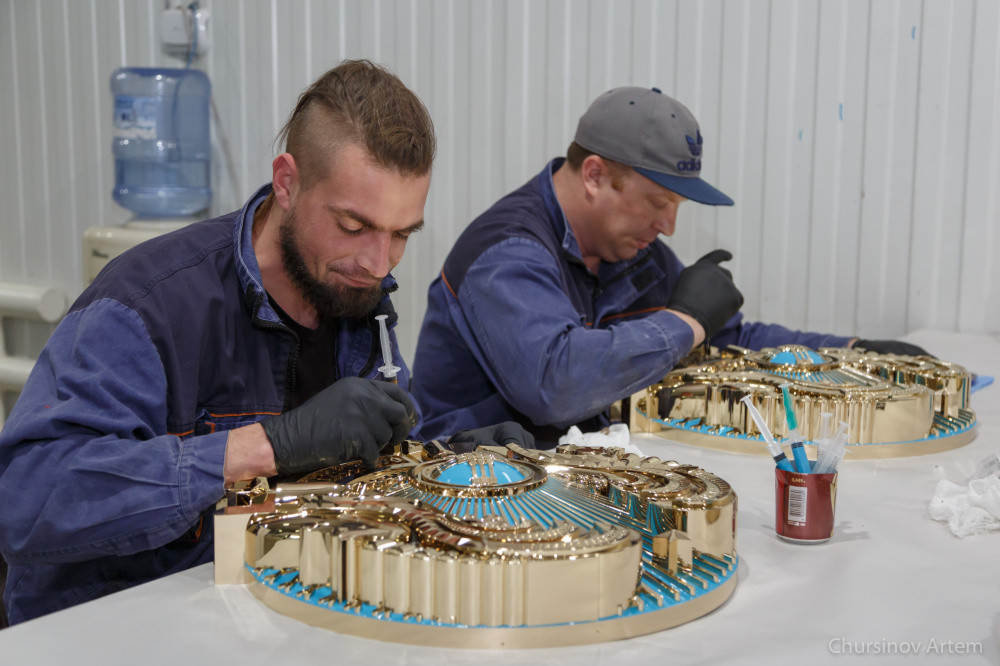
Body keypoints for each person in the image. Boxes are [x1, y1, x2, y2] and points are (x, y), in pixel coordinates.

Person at [0, 60, 530, 625]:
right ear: (287, 182)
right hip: (109, 632)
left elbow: (362, 468)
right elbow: (25, 500)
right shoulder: (150, 305)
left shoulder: (356, 296)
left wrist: (447, 465)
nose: (379, 263)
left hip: (263, 618)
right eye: (353, 227)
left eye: (400, 234)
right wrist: (264, 447)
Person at [411, 86, 928, 445]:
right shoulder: (507, 251)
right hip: (468, 483)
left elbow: (729, 340)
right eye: (658, 202)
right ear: (594, 175)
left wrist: (848, 352)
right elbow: (556, 385)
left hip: (576, 464)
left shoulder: (631, 249)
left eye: (677, 207)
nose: (669, 227)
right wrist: (683, 321)